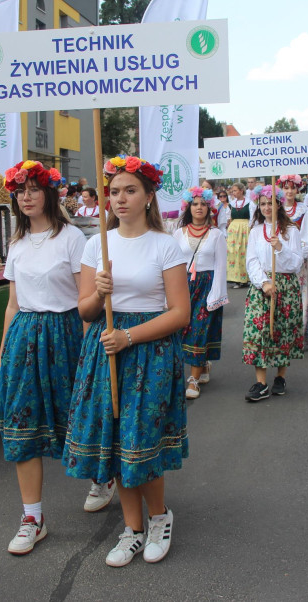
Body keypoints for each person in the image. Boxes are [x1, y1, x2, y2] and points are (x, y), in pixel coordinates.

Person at [64, 155, 191, 568]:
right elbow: (84, 311)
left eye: (130, 190)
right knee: (118, 440)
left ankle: (159, 518)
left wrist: (130, 336)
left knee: (143, 440)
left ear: (149, 195)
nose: (120, 198)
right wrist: (99, 292)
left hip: (149, 352)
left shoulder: (164, 244)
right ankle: (131, 528)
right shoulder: (95, 244)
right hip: (105, 350)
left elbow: (179, 313)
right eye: (114, 191)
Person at [0, 160, 99, 556]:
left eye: (34, 189)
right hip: (24, 337)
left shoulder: (72, 238)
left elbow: (85, 298)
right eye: (20, 191)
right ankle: (32, 518)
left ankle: (101, 478)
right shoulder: (17, 244)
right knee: (22, 425)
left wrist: (91, 348)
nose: (26, 196)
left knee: (78, 413)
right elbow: (12, 305)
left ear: (50, 194)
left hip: (66, 333)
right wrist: (1, 356)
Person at [242, 184, 304, 401]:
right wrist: (264, 282)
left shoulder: (292, 231)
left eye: (271, 203)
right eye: (263, 203)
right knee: (259, 332)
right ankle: (261, 383)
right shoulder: (256, 231)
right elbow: (251, 261)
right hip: (263, 286)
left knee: (282, 331)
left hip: (286, 286)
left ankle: (280, 376)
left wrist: (281, 248)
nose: (267, 207)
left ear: (279, 204)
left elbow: (297, 263)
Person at [173, 187, 227, 400]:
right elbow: (174, 263)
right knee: (182, 330)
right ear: (188, 207)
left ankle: (193, 379)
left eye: (203, 204)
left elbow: (221, 267)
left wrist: (216, 295)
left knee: (198, 330)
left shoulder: (216, 235)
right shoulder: (179, 233)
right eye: (195, 204)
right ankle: (203, 364)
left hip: (206, 285)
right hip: (184, 285)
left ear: (209, 208)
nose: (198, 208)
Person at [278, 175, 308, 332]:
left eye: (292, 188)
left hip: (298, 260)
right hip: (279, 259)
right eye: (286, 188)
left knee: (299, 293)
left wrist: (298, 255)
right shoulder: (275, 209)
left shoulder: (303, 210)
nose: (290, 191)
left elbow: (307, 236)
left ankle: (298, 330)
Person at [225, 182, 252, 287]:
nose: (233, 193)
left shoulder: (249, 203)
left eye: (235, 190)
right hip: (234, 229)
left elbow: (252, 218)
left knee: (244, 252)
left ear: (241, 191)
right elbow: (228, 218)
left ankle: (246, 278)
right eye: (232, 191)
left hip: (245, 229)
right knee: (233, 252)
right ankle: (236, 278)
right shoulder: (231, 204)